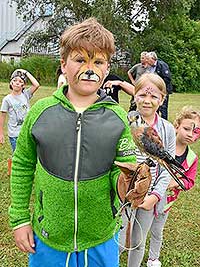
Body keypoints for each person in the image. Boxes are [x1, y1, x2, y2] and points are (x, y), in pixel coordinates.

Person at [9, 18, 137, 267]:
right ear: (63, 65)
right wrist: (20, 219)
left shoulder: (117, 116)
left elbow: (123, 168)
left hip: (101, 236)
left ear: (107, 68)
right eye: (80, 60)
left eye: (98, 62)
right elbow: (23, 165)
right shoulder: (41, 112)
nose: (90, 69)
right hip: (49, 236)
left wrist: (127, 183)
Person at [127, 73, 176, 267]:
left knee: (138, 242)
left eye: (154, 96)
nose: (147, 101)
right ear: (134, 96)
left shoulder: (167, 129)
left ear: (162, 99)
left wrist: (155, 196)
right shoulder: (125, 122)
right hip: (124, 192)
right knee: (120, 241)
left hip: (150, 194)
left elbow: (168, 167)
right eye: (142, 95)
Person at [146, 106, 200, 267]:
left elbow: (190, 181)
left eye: (196, 131)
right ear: (176, 126)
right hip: (147, 197)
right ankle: (127, 247)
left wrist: (174, 182)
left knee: (157, 231)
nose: (190, 134)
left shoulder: (192, 158)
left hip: (166, 202)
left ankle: (153, 258)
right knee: (138, 229)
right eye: (186, 129)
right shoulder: (161, 145)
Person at [0, 69, 40, 153]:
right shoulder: (7, 99)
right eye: (14, 80)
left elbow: (36, 85)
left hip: (26, 132)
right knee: (18, 155)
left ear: (23, 85)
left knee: (28, 154)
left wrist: (25, 72)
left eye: (20, 81)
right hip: (14, 134)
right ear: (11, 83)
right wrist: (1, 133)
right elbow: (2, 116)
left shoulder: (26, 94)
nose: (17, 82)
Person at [145, 52, 173, 120]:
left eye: (148, 59)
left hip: (163, 90)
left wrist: (159, 85)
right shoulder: (149, 66)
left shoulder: (162, 65)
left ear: (153, 59)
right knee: (154, 105)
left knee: (163, 107)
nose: (146, 61)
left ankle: (164, 122)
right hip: (154, 89)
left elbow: (168, 78)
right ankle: (155, 120)